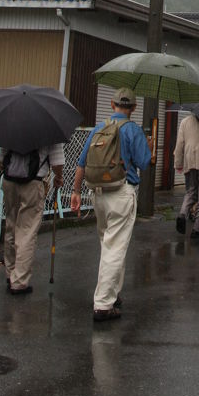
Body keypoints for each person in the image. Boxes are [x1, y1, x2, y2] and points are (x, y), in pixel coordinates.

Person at [70, 87, 152, 322]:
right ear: (133, 108)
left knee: (109, 244)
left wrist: (76, 192)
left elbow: (82, 162)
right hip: (121, 192)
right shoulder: (133, 130)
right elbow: (144, 163)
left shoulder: (99, 128)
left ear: (113, 105)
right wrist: (147, 144)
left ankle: (113, 293)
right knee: (115, 247)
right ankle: (104, 304)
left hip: (98, 194)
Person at [0, 143, 64, 295]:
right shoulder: (50, 128)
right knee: (26, 231)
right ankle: (19, 281)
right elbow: (57, 161)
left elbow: (2, 158)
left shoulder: (11, 123)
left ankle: (10, 273)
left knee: (11, 225)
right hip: (33, 183)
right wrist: (58, 177)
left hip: (9, 181)